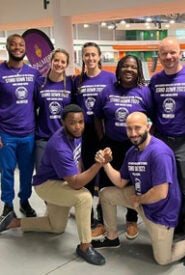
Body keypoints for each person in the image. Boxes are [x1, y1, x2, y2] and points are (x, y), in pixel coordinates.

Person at [0, 104, 109, 266]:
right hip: (46, 185)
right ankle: (85, 246)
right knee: (85, 197)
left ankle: (13, 223)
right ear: (63, 123)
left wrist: (81, 171)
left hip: (60, 181)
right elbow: (75, 184)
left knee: (56, 226)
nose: (78, 126)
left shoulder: (76, 133)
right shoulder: (60, 146)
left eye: (81, 121)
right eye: (72, 122)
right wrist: (99, 164)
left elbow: (77, 159)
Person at [92, 112, 185, 265]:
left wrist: (139, 200)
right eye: (129, 129)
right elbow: (120, 182)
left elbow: (161, 192)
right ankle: (111, 237)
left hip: (160, 209)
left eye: (137, 128)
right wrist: (105, 164)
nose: (133, 134)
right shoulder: (132, 152)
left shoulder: (159, 152)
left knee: (163, 260)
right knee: (106, 194)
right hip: (140, 197)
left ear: (148, 127)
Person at [149, 36, 185, 266]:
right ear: (159, 55)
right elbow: (152, 113)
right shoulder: (155, 80)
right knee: (168, 189)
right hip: (162, 142)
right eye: (164, 53)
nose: (169, 57)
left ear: (180, 52)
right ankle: (175, 228)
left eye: (172, 52)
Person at [93, 54, 153, 240]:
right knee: (106, 183)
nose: (129, 70)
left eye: (133, 67)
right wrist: (103, 139)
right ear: (118, 69)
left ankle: (131, 218)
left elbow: (152, 118)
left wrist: (145, 143)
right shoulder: (107, 90)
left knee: (134, 183)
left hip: (134, 146)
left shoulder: (144, 92)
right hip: (111, 143)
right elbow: (97, 116)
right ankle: (103, 222)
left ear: (138, 71)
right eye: (125, 66)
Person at [73, 42, 116, 238]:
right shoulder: (78, 80)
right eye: (86, 55)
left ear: (99, 57)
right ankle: (89, 214)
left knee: (106, 171)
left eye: (93, 55)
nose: (90, 58)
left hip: (105, 128)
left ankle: (103, 210)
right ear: (82, 57)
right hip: (85, 131)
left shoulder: (110, 78)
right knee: (88, 170)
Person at [0, 34, 40, 218]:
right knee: (6, 171)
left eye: (21, 45)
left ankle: (24, 201)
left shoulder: (33, 73)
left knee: (26, 172)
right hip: (6, 133)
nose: (17, 48)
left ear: (25, 48)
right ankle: (7, 205)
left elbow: (39, 100)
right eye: (13, 45)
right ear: (7, 47)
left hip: (28, 132)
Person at [34, 48, 73, 170]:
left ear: (66, 65)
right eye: (56, 60)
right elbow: (31, 109)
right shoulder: (39, 83)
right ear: (51, 61)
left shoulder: (71, 83)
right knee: (42, 178)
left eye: (63, 62)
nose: (59, 64)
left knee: (63, 176)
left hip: (64, 138)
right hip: (43, 138)